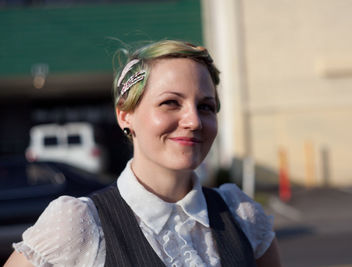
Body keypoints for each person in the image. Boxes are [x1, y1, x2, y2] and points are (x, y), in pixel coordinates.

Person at [5, 40, 281, 267]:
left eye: (206, 106)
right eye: (170, 103)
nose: (194, 121)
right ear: (125, 115)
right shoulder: (82, 225)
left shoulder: (242, 215)